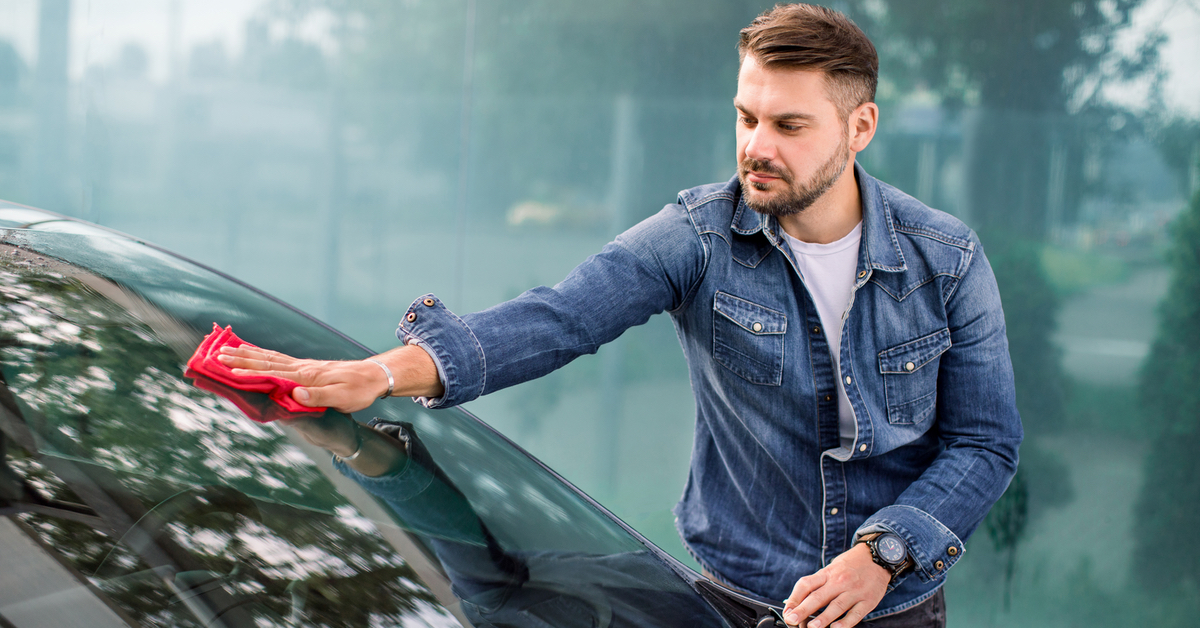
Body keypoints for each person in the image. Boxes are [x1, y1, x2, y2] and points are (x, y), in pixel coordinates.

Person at [219, 4, 1022, 627]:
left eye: (788, 125)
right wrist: (381, 373)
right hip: (731, 602)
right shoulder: (700, 236)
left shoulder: (944, 259)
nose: (756, 147)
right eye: (746, 117)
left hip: (891, 608)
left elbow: (984, 444)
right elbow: (562, 316)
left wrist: (883, 555)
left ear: (860, 128)